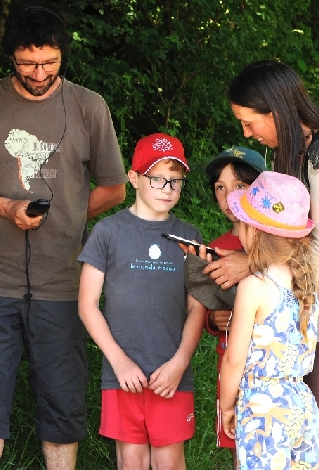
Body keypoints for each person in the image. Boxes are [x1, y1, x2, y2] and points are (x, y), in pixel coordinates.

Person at [0, 1, 128, 470]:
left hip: (64, 281)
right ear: (11, 58)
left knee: (62, 398)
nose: (39, 73)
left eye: (49, 62)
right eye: (28, 64)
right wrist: (6, 207)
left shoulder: (89, 106)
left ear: (63, 55)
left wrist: (66, 213)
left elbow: (114, 187)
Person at [206, 60, 319, 470]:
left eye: (250, 122)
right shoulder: (296, 153)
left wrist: (255, 275)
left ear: (275, 111)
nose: (246, 133)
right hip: (309, 325)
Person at [78, 133, 205, 470]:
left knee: (169, 461)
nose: (167, 188)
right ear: (134, 178)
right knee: (130, 459)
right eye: (157, 178)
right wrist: (119, 361)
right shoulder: (108, 231)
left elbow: (197, 307)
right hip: (122, 373)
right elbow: (87, 304)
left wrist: (180, 363)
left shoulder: (190, 236)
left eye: (175, 181)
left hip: (171, 373)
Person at [219, 171, 319, 468]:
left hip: (264, 409)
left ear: (254, 231)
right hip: (302, 404)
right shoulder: (306, 283)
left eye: (241, 223)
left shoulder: (254, 287)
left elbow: (234, 360)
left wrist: (226, 405)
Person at [202, 147, 266, 467]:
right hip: (233, 369)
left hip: (275, 370)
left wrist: (252, 263)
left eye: (240, 185)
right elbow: (207, 314)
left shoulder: (283, 240)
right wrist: (215, 320)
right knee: (242, 453)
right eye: (221, 187)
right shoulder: (215, 250)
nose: (230, 196)